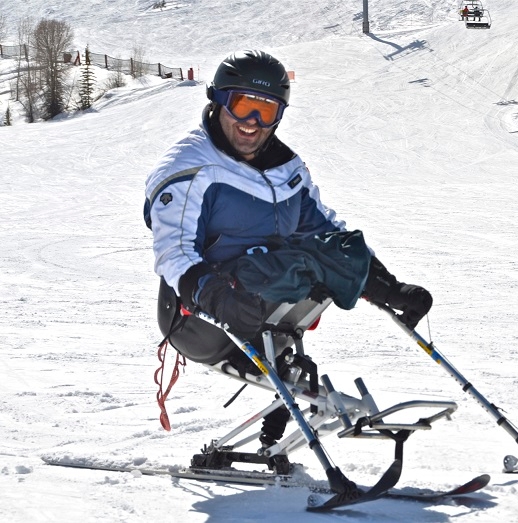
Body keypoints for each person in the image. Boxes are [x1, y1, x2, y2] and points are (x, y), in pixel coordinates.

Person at [143, 50, 432, 456]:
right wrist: (217, 298)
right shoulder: (191, 169)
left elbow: (329, 232)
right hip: (202, 320)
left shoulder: (287, 169)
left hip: (271, 312)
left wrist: (387, 286)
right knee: (279, 265)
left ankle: (280, 414)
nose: (252, 123)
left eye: (266, 110)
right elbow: (173, 252)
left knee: (327, 255)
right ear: (218, 101)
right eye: (243, 106)